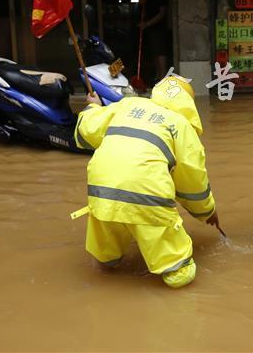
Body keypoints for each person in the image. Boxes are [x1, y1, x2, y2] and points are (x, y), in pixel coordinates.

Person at [71, 75, 220, 289]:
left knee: (106, 260)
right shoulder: (181, 125)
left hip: (100, 190)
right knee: (179, 271)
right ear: (188, 102)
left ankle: (105, 269)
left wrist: (92, 107)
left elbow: (88, 131)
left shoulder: (128, 105)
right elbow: (193, 184)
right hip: (147, 193)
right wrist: (207, 211)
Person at [139, 0, 170, 82]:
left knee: (160, 51)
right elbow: (142, 0)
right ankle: (158, 74)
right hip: (149, 25)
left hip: (159, 25)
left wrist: (147, 23)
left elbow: (162, 13)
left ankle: (163, 77)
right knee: (154, 51)